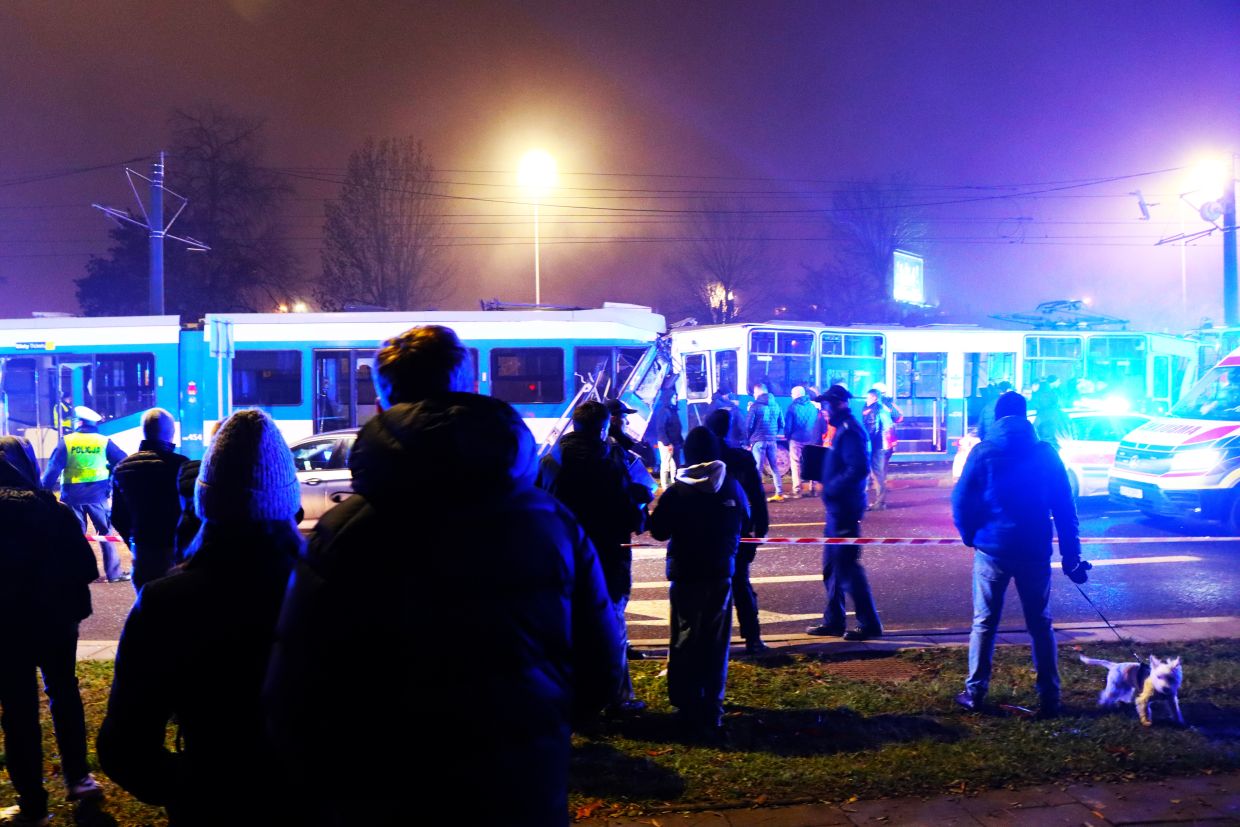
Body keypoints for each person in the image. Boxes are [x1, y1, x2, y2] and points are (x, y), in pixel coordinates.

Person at [265, 325, 622, 827]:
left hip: (386, 793)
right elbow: (602, 669)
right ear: (470, 383)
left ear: (384, 397)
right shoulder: (553, 522)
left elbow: (296, 687)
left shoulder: (343, 532)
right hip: (518, 790)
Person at [97, 410, 304, 827]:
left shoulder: (167, 603)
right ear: (290, 504)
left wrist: (192, 785)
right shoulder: (328, 589)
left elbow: (124, 747)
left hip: (209, 807)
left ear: (205, 504)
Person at [951, 390, 1088, 718]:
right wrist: (1071, 556)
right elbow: (1065, 509)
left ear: (997, 417)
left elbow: (961, 501)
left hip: (992, 549)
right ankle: (1049, 697)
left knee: (984, 622)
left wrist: (971, 535)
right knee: (1040, 624)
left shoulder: (983, 452)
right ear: (1026, 417)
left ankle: (976, 692)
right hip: (1034, 550)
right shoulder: (1045, 453)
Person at [0, 437, 103, 827]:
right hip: (55, 621)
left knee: (18, 710)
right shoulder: (52, 509)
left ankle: (33, 804)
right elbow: (86, 568)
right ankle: (79, 778)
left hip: (7, 625)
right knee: (64, 692)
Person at [538, 400, 646, 714]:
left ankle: (568, 698)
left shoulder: (549, 461)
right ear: (603, 428)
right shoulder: (613, 462)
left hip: (561, 558)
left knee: (566, 626)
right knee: (612, 626)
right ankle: (617, 697)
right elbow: (632, 515)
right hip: (607, 558)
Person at [649, 427, 748, 739]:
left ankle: (686, 704)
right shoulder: (731, 485)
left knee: (684, 636)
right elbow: (748, 520)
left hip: (686, 572)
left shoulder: (678, 490)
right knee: (716, 641)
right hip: (720, 572)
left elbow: (659, 531)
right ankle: (712, 706)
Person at [805, 385, 882, 641]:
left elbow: (858, 469)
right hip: (838, 508)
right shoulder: (843, 429)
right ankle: (834, 621)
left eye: (825, 406)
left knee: (847, 567)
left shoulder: (850, 431)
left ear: (838, 403)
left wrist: (833, 488)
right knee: (832, 567)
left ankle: (869, 623)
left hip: (845, 509)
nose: (823, 411)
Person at [705, 408, 770, 654]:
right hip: (739, 529)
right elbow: (756, 494)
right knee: (741, 582)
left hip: (709, 532)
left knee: (710, 587)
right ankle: (752, 637)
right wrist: (761, 526)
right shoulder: (741, 458)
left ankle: (712, 641)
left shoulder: (699, 459)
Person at [40, 406, 130, 583]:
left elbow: (52, 470)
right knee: (105, 533)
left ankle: (75, 573)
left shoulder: (67, 442)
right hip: (98, 496)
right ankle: (113, 573)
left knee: (74, 535)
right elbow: (123, 460)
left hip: (72, 497)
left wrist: (42, 491)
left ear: (78, 423)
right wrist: (112, 477)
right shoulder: (103, 441)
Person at [110, 408, 190, 591]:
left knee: (147, 610)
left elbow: (117, 516)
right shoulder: (182, 465)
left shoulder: (123, 468)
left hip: (144, 553)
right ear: (171, 433)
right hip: (177, 555)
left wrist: (135, 541)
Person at [746, 382, 785, 502]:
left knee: (757, 468)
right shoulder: (776, 405)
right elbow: (782, 424)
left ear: (757, 391)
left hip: (758, 441)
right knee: (774, 468)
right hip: (772, 440)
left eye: (754, 392)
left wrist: (748, 439)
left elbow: (748, 425)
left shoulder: (755, 406)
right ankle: (779, 493)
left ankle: (756, 495)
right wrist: (772, 433)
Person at [785, 385, 823, 498]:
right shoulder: (812, 406)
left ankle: (797, 490)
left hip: (796, 438)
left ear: (796, 395)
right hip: (811, 438)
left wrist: (788, 437)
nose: (791, 396)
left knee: (796, 463)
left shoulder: (792, 407)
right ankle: (813, 488)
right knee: (811, 463)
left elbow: (788, 426)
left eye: (792, 393)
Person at [861, 387, 895, 511]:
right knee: (878, 474)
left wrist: (865, 441)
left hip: (877, 446)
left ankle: (880, 503)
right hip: (883, 445)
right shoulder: (882, 408)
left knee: (876, 474)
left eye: (868, 397)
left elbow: (873, 429)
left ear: (874, 397)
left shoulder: (875, 410)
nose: (866, 399)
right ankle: (879, 502)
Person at [654, 391, 684, 490]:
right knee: (666, 465)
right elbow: (660, 429)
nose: (675, 399)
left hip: (674, 443)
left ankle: (674, 484)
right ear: (668, 398)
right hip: (666, 443)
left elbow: (677, 428)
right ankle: (665, 486)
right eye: (673, 397)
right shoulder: (664, 411)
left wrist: (680, 441)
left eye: (676, 397)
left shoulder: (672, 410)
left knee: (674, 465)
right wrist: (667, 443)